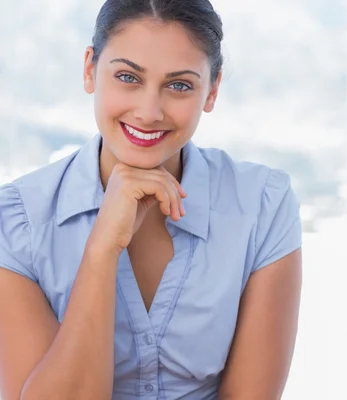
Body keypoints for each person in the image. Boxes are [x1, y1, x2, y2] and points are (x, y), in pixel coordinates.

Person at [0, 0, 303, 399]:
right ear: (90, 69)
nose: (148, 111)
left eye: (179, 85)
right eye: (128, 77)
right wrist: (102, 247)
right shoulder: (18, 222)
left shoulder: (262, 206)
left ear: (211, 91)